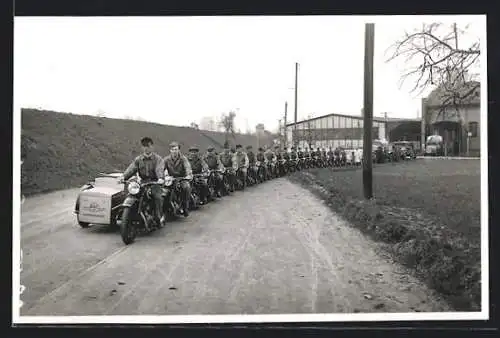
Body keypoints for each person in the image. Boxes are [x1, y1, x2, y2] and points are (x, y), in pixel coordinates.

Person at [119, 137, 165, 225]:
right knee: (131, 194)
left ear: (152, 147)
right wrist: (123, 177)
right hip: (143, 182)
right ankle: (128, 214)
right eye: (144, 146)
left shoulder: (158, 159)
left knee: (157, 197)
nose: (146, 148)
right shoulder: (138, 159)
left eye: (148, 146)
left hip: (155, 182)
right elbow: (132, 168)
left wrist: (160, 178)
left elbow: (159, 169)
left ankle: (158, 217)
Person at [163, 142, 192, 217]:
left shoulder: (183, 158)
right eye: (173, 149)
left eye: (176, 149)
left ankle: (185, 207)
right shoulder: (166, 159)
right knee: (162, 189)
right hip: (170, 179)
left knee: (186, 187)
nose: (174, 151)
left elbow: (187, 166)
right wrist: (159, 175)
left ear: (179, 150)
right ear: (170, 150)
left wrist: (188, 174)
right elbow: (160, 168)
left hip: (181, 178)